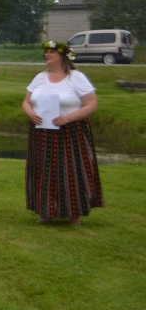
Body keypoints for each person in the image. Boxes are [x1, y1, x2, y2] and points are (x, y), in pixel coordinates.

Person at [22, 41, 103, 225]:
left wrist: (68, 118)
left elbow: (91, 104)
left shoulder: (75, 77)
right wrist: (31, 114)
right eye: (46, 52)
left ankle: (74, 213)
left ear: (63, 56)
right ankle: (46, 212)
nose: (47, 55)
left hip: (70, 131)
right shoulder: (40, 77)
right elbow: (26, 101)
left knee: (70, 170)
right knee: (44, 170)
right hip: (42, 131)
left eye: (52, 52)